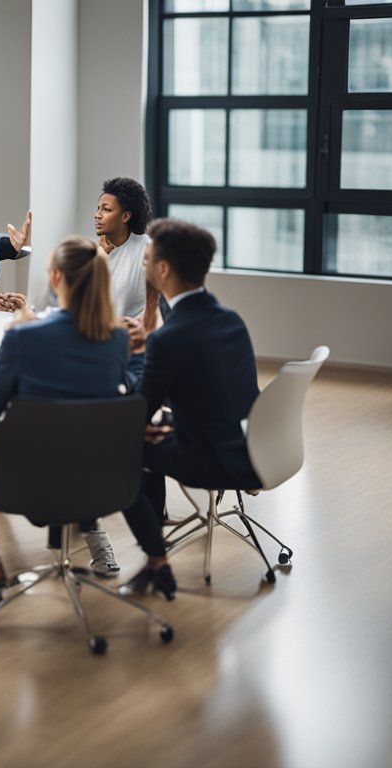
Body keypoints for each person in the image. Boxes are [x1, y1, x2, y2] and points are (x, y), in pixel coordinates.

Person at [0, 236, 172, 606]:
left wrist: (17, 335)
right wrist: (138, 355)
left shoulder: (23, 336)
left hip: (22, 482)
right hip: (100, 481)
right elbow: (128, 392)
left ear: (55, 278)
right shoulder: (115, 339)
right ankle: (157, 560)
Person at [121, 218, 260, 597]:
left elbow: (136, 410)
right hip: (248, 448)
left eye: (147, 259)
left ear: (162, 269)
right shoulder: (232, 320)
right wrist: (169, 420)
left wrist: (136, 354)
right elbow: (222, 392)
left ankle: (156, 562)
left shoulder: (169, 338)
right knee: (148, 435)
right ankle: (155, 555)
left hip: (211, 459)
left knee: (123, 451)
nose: (143, 265)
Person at [95, 177, 152, 319]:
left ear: (125, 216)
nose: (97, 215)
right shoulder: (93, 251)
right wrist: (100, 258)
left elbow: (160, 302)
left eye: (106, 209)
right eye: (98, 208)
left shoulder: (147, 249)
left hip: (134, 334)